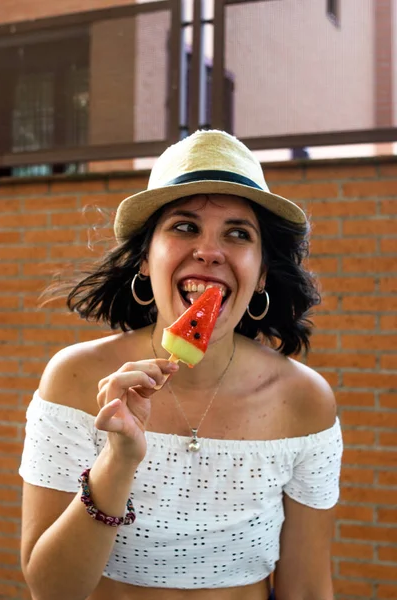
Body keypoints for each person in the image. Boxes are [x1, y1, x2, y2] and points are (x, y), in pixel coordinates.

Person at [19, 129, 343, 600]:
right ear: (146, 260)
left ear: (262, 275)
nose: (210, 251)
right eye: (185, 227)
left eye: (238, 233)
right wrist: (117, 462)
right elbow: (50, 590)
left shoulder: (305, 400)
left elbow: (309, 589)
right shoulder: (74, 378)